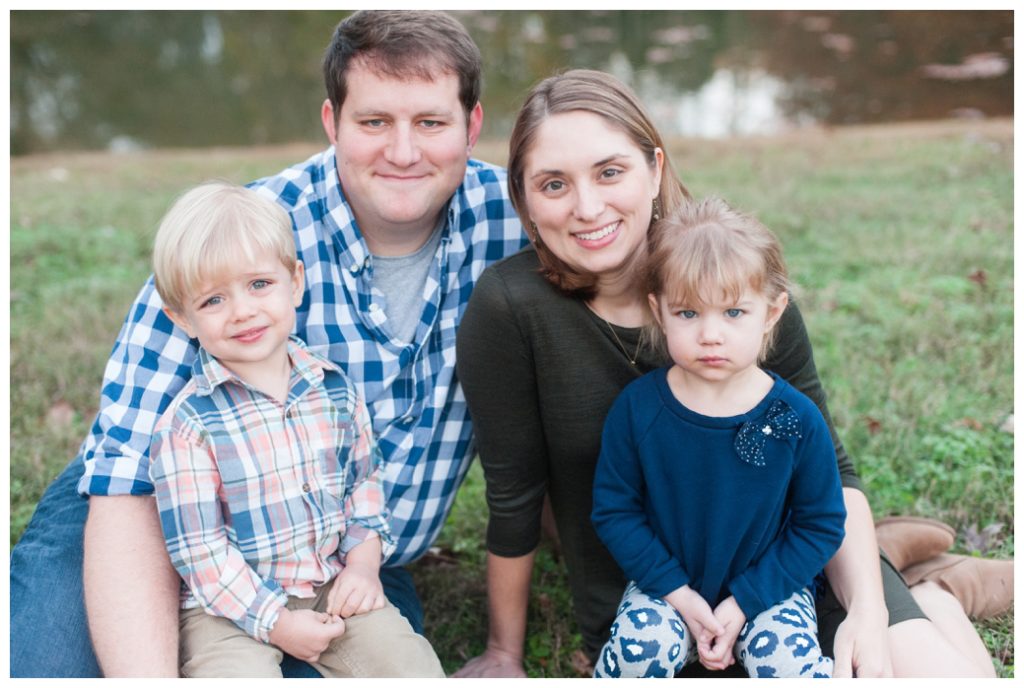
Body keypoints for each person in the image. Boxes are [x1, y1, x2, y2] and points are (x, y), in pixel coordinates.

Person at [9, 10, 526, 677]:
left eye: (430, 122)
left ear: (472, 126)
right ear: (332, 122)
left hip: (338, 559)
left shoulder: (518, 222)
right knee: (47, 671)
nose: (403, 152)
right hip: (157, 514)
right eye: (373, 122)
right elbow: (126, 474)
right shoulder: (242, 241)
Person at [453, 68, 998, 678]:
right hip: (658, 600)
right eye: (553, 184)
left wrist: (868, 613)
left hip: (788, 580)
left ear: (654, 169)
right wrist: (504, 652)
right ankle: (920, 569)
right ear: (524, 199)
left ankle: (931, 593)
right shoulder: (510, 309)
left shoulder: (734, 284)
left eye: (610, 172)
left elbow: (833, 477)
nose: (587, 207)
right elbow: (514, 494)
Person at [147, 181, 444, 677]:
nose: (243, 311)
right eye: (213, 300)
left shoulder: (335, 390)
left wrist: (363, 565)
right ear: (182, 318)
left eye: (259, 284)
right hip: (226, 609)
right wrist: (276, 622)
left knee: (410, 666)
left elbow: (363, 486)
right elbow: (201, 553)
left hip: (328, 580)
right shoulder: (188, 426)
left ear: (295, 282)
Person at [590, 198, 846, 678]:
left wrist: (746, 601)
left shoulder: (794, 417)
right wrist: (677, 594)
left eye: (733, 312)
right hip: (666, 589)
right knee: (640, 648)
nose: (710, 334)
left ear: (771, 313)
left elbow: (821, 523)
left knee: (787, 660)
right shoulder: (639, 409)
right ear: (659, 311)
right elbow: (615, 511)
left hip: (768, 590)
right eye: (688, 313)